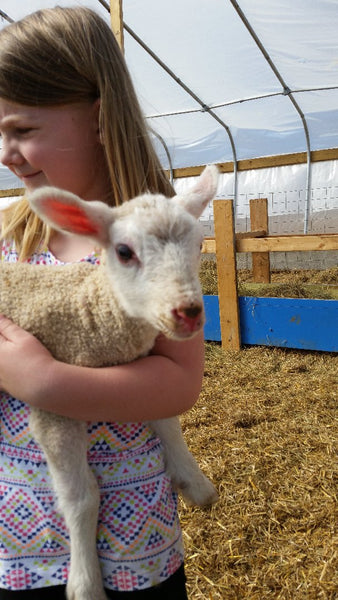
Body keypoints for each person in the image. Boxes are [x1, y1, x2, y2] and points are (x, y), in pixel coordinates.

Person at [0, 7, 205, 599]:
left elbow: (178, 380)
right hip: (18, 535)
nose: (7, 152)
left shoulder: (158, 233)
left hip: (128, 539)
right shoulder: (13, 237)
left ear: (97, 118)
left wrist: (45, 381)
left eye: (22, 130)